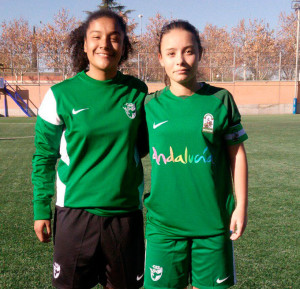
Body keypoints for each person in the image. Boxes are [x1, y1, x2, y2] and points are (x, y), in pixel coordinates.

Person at [32, 9, 148, 289]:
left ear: (124, 44)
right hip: (74, 213)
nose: (105, 45)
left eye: (114, 38)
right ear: (84, 44)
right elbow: (44, 156)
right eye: (96, 37)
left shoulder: (138, 92)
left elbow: (144, 146)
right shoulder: (60, 95)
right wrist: (40, 208)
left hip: (125, 215)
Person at [144, 20, 248, 289]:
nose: (180, 60)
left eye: (188, 51)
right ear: (161, 58)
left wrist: (241, 205)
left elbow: (237, 155)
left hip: (212, 224)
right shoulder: (150, 105)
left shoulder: (220, 100)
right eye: (171, 53)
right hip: (163, 228)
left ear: (200, 53)